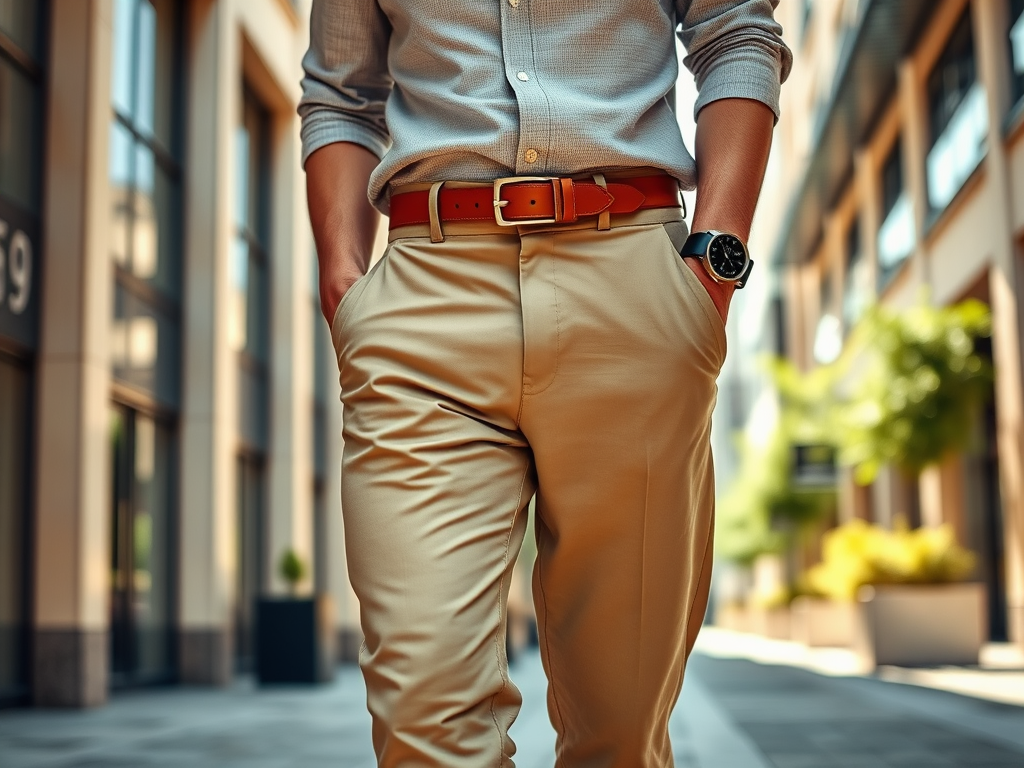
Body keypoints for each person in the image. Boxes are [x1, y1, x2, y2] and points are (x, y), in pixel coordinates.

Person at [299, 2, 791, 765]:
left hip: (632, 284)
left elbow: (736, 33)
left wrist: (712, 267)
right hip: (425, 298)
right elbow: (339, 92)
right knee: (423, 720)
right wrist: (344, 283)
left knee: (619, 732)